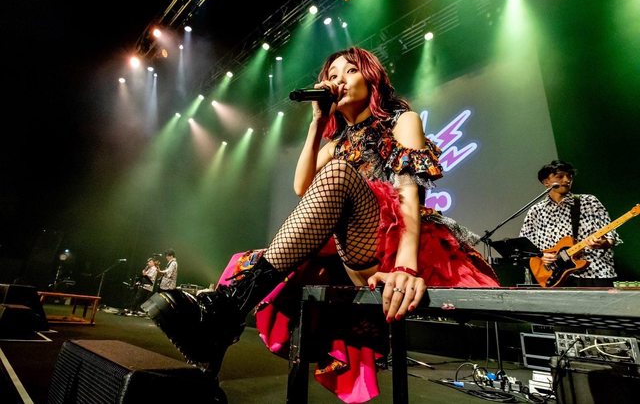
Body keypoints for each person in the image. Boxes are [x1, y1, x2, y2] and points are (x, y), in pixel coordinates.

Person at [143, 47, 499, 403]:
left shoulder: (402, 121)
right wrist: (317, 123)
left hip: (390, 244)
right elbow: (302, 186)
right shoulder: (336, 144)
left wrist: (405, 267)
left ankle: (224, 314)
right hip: (349, 251)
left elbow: (409, 192)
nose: (338, 81)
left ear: (371, 78)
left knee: (339, 174)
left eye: (349, 72)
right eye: (331, 76)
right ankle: (210, 366)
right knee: (249, 259)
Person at [520, 160, 620, 287]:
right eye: (560, 176)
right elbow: (525, 245)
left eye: (569, 176)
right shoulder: (536, 211)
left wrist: (603, 243)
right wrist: (541, 256)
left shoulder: (589, 202)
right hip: (554, 276)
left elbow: (611, 236)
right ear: (546, 182)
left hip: (593, 272)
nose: (567, 180)